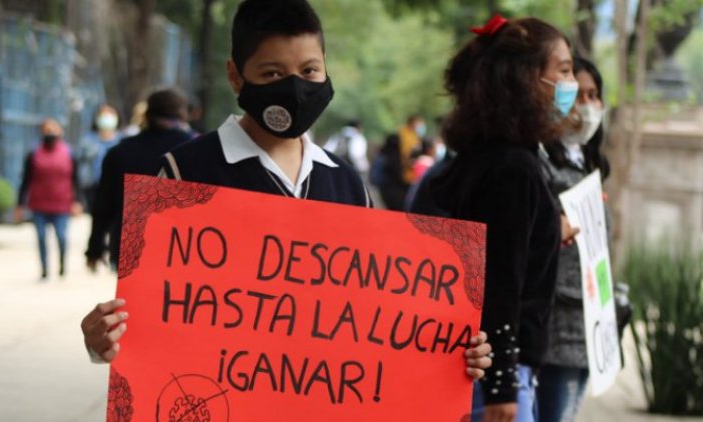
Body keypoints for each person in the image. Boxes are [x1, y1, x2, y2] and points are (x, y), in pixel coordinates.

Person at [80, 0, 492, 382]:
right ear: (235, 76)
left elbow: (372, 321)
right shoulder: (184, 172)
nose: (295, 88)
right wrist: (102, 341)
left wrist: (449, 355)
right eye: (273, 74)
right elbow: (150, 313)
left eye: (310, 71)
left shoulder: (347, 184)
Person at [418, 15, 578, 422]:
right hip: (495, 378)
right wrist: (502, 387)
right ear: (526, 79)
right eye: (562, 70)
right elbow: (498, 286)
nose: (571, 83)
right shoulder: (513, 168)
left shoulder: (485, 158)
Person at [536, 57, 610, 422]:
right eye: (577, 93)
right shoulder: (539, 160)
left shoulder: (588, 163)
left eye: (594, 95)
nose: (587, 105)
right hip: (556, 325)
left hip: (590, 322)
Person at [85, 89, 193, 272]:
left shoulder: (120, 152)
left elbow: (103, 205)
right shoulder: (195, 149)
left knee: (133, 300)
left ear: (147, 113)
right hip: (180, 248)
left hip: (129, 245)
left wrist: (95, 249)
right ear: (182, 114)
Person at [16, 119, 83, 280]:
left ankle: (61, 264)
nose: (50, 133)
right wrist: (19, 204)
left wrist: (77, 201)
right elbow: (25, 180)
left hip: (62, 203)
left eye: (54, 129)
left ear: (61, 131)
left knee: (61, 236)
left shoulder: (69, 153)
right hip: (39, 203)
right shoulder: (33, 154)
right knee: (41, 237)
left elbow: (76, 180)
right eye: (47, 129)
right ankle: (44, 268)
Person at [78, 104, 123, 212]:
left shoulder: (123, 140)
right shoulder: (87, 141)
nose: (106, 116)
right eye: (103, 113)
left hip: (117, 188)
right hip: (94, 188)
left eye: (110, 113)